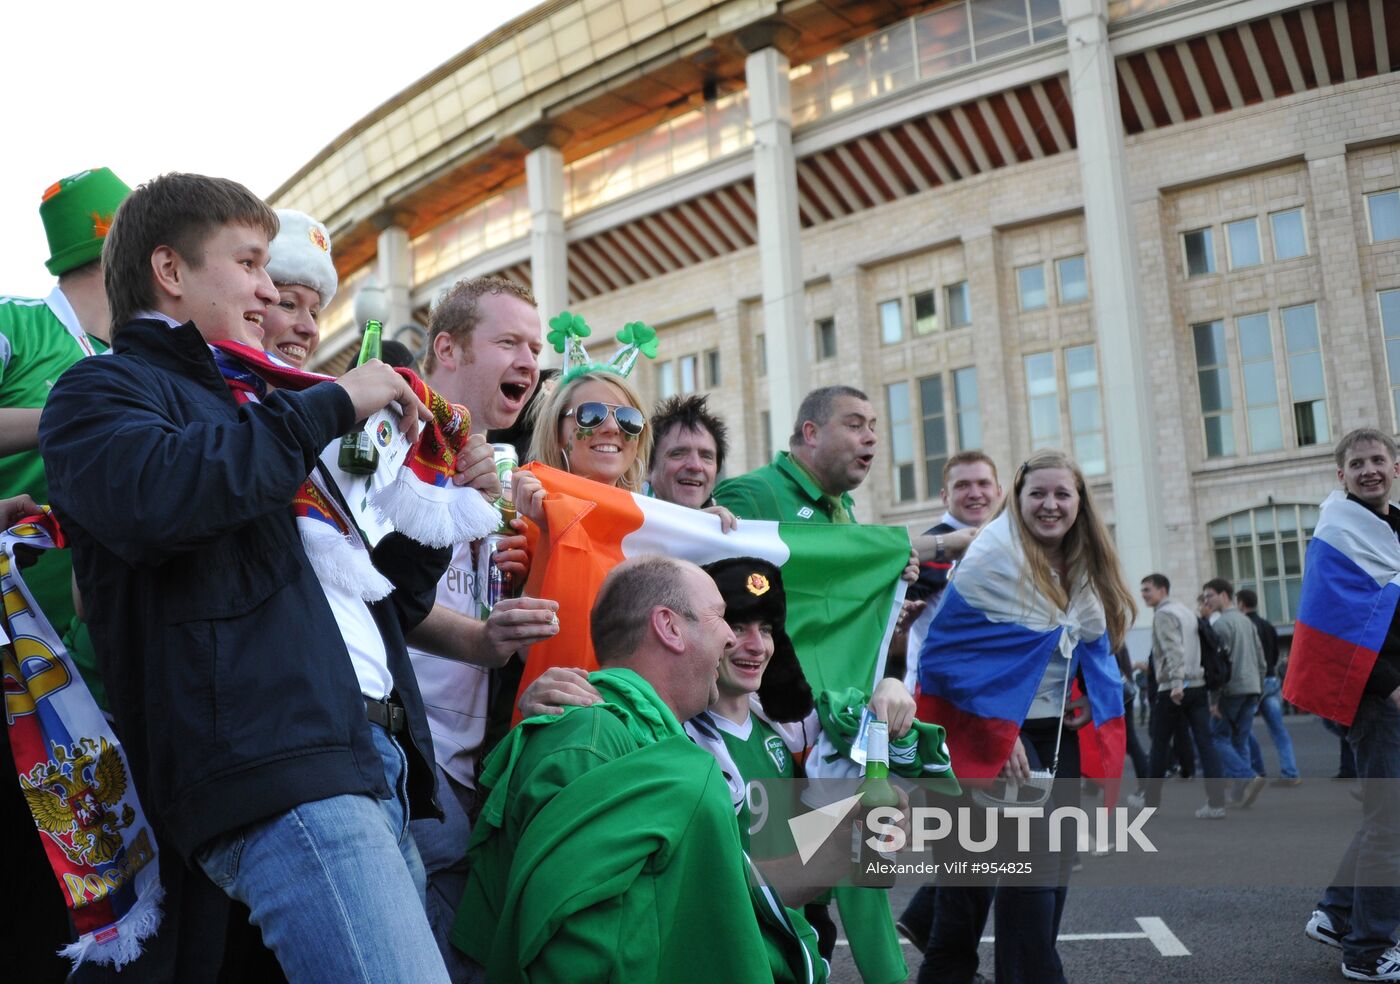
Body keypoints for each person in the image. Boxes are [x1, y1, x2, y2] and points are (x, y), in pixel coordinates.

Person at [37, 173, 454, 983]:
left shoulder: (264, 407)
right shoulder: (100, 391)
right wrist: (329, 406)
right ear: (171, 269)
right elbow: (167, 498)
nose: (270, 289)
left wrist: (440, 501)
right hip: (279, 765)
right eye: (253, 262)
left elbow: (381, 601)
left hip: (371, 759)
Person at [450, 556, 828, 983]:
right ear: (669, 627)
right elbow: (566, 951)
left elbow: (711, 896)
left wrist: (861, 845)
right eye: (723, 619)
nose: (729, 639)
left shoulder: (642, 739)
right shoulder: (587, 743)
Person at [917, 449, 1136, 984]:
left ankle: (937, 943)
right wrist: (997, 727)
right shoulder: (994, 556)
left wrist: (1084, 692)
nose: (1050, 504)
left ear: (1080, 503)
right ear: (1017, 500)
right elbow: (943, 658)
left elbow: (1088, 645)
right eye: (1037, 493)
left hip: (1054, 735)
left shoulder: (1087, 564)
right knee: (1029, 884)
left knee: (1035, 883)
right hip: (991, 735)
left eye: (1063, 493)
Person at [403, 275, 560, 981]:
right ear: (447, 347)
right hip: (406, 761)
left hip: (471, 769)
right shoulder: (391, 441)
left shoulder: (501, 470)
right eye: (509, 342)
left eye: (536, 346)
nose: (529, 360)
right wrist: (482, 640)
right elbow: (371, 596)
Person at [1289, 428, 1400, 982]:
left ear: (1394, 467)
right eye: (1357, 463)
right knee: (1392, 824)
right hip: (1378, 701)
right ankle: (1367, 950)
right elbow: (1336, 624)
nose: (1369, 469)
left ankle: (1336, 915)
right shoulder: (1337, 532)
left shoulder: (1394, 526)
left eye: (1378, 459)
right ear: (1342, 476)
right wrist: (1387, 684)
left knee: (1387, 816)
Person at [897, 450, 1003, 950]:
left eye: (983, 483)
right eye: (963, 485)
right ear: (946, 497)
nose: (975, 493)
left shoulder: (998, 542)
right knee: (976, 842)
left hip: (984, 707)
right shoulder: (941, 546)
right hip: (949, 710)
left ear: (999, 491)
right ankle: (945, 961)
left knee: (982, 840)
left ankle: (924, 922)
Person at [1135, 573, 1226, 817]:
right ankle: (1216, 803)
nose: (1143, 595)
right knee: (1206, 743)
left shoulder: (1164, 614)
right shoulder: (1185, 611)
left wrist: (1176, 682)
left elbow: (1172, 649)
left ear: (1162, 590)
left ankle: (1150, 802)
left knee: (1159, 744)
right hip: (1197, 683)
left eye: (1147, 590)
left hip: (1173, 688)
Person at [1201, 578, 1268, 809]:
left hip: (1232, 688)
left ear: (1224, 595)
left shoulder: (1220, 626)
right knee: (1240, 739)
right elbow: (1261, 658)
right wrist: (1259, 687)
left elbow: (1218, 666)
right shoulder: (1246, 622)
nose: (1206, 600)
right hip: (1252, 687)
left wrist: (1214, 700)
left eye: (1209, 595)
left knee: (1218, 737)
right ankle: (1241, 794)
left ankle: (1246, 776)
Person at [1236, 587, 1299, 786]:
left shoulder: (1244, 626)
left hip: (1253, 683)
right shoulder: (1268, 625)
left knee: (1242, 730)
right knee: (1278, 730)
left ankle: (1251, 773)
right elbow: (1273, 656)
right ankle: (1290, 771)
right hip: (1271, 681)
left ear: (1240, 604)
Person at [646, 392, 737, 529]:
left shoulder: (727, 535)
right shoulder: (621, 521)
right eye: (678, 454)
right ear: (649, 466)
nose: (695, 466)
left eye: (706, 456)